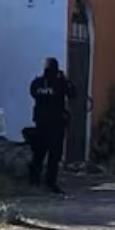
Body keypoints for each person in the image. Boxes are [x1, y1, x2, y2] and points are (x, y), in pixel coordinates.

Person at [26, 57, 75, 193]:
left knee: (38, 153)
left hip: (41, 123)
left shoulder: (37, 83)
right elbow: (73, 93)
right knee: (54, 155)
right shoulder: (60, 83)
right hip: (56, 125)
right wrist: (65, 79)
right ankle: (50, 182)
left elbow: (33, 93)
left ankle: (34, 181)